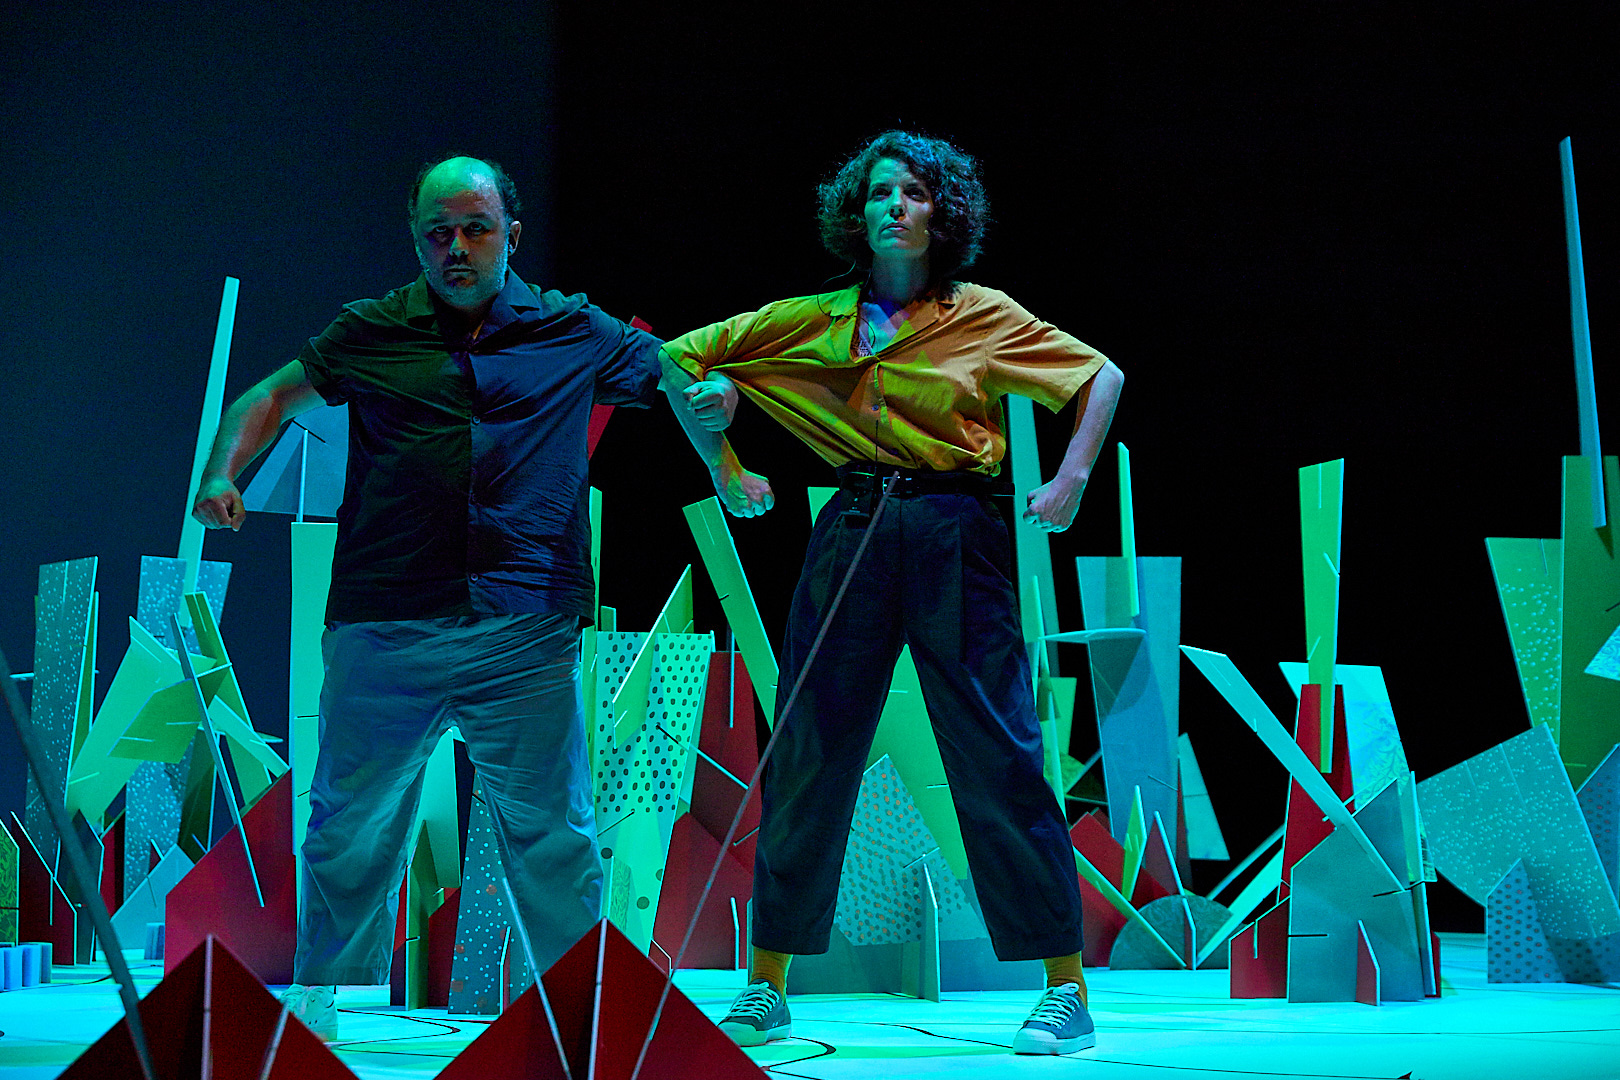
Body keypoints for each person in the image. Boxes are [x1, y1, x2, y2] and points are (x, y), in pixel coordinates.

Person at [190, 155, 736, 1040]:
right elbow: (274, 394)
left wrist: (719, 429)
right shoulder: (372, 329)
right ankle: (319, 1006)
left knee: (551, 830)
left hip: (521, 628)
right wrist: (223, 472)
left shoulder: (570, 328)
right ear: (416, 242)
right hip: (385, 623)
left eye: (475, 229)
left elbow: (676, 373)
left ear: (510, 235)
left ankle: (581, 1011)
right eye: (438, 232)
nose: (457, 247)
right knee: (350, 819)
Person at [661, 131, 1123, 1055]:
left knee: (997, 754)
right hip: (854, 527)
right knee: (810, 748)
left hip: (956, 529)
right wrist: (725, 462)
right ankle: (767, 984)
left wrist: (1072, 477)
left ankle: (1065, 989)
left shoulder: (980, 314)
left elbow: (1099, 375)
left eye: (913, 192)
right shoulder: (815, 318)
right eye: (879, 192)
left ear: (940, 214)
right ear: (858, 213)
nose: (895, 206)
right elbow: (680, 361)